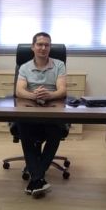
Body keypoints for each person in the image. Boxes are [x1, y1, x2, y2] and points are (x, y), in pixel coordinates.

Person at [13, 31, 69, 198]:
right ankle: (38, 178)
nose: (43, 48)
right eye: (39, 44)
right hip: (29, 109)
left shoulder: (59, 65)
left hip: (53, 109)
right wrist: (34, 96)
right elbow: (19, 91)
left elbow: (62, 90)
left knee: (56, 130)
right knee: (23, 127)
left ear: (50, 47)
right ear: (33, 47)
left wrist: (49, 95)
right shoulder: (24, 67)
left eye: (46, 45)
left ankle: (36, 178)